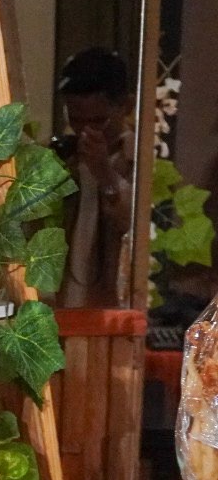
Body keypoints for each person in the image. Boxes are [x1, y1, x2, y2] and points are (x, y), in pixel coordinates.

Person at [53, 47, 135, 307]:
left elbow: (137, 226)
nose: (85, 130)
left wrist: (106, 176)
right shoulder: (61, 158)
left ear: (127, 106)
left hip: (113, 310)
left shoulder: (141, 159)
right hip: (61, 305)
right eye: (76, 120)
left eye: (98, 121)